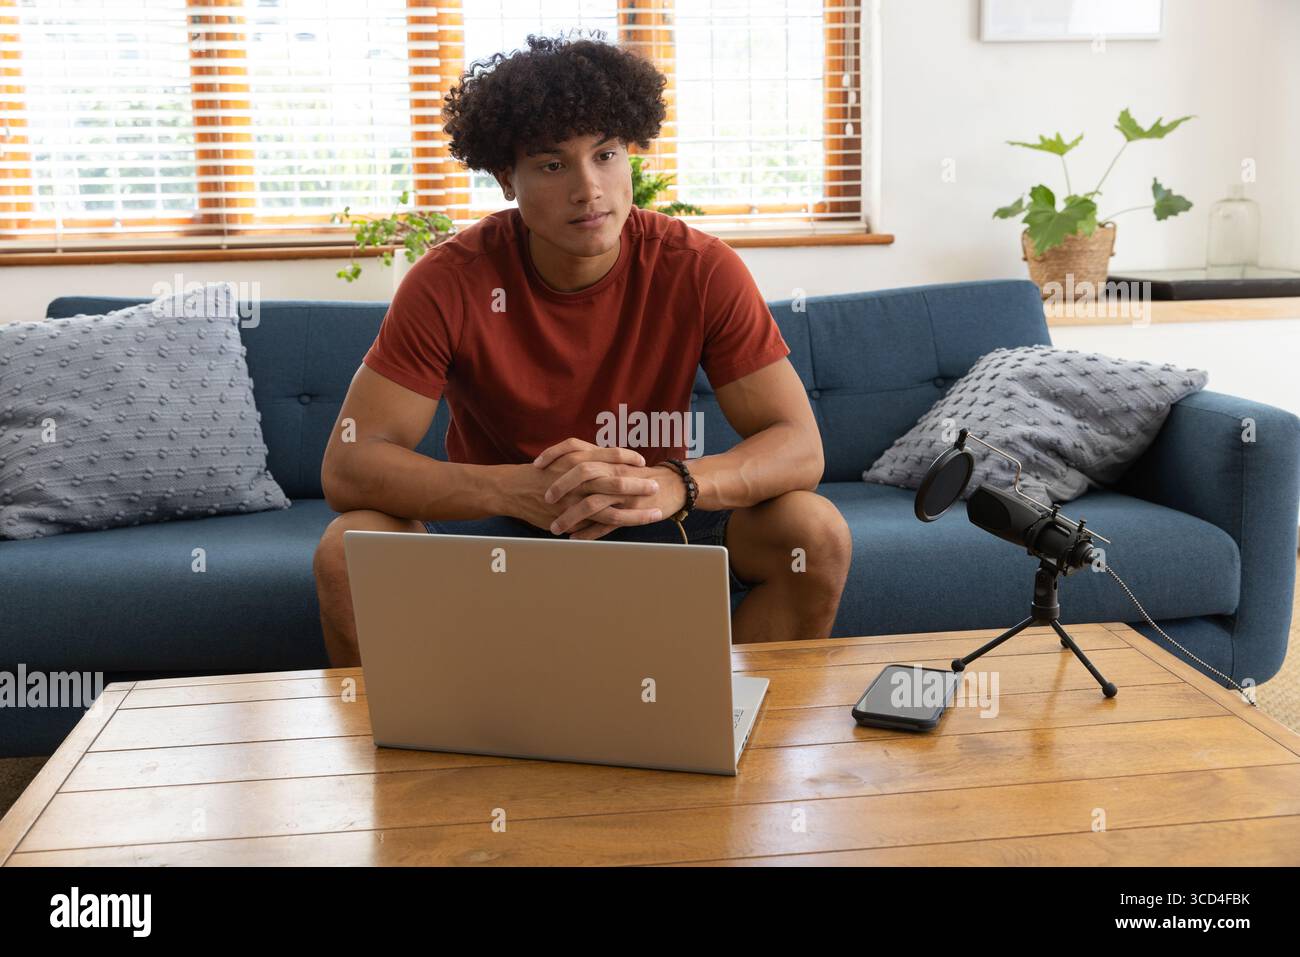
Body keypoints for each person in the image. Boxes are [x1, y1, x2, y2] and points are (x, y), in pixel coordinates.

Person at [314, 32, 851, 666]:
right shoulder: (449, 280)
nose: (589, 188)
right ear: (506, 178)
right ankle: (404, 759)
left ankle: (724, 727)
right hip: (497, 529)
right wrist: (513, 491)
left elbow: (798, 445)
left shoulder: (700, 267)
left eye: (606, 154)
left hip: (653, 515)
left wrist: (670, 485)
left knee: (812, 531)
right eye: (552, 165)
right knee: (348, 548)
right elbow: (349, 465)